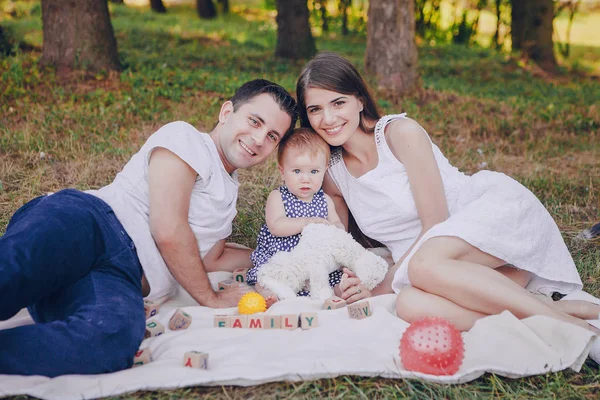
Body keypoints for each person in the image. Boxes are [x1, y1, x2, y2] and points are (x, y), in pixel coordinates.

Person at [0, 79, 297, 377]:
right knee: (12, 271)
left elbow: (211, 259)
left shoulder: (228, 197)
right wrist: (210, 297)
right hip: (91, 222)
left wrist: (283, 254)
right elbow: (168, 229)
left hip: (120, 276)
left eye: (272, 136)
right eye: (254, 121)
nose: (259, 139)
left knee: (111, 341)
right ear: (226, 111)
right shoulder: (186, 139)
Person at [295, 51, 600, 333]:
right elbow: (342, 242)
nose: (329, 118)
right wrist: (350, 282)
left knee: (423, 268)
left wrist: (384, 283)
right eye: (315, 109)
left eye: (338, 103)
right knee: (409, 304)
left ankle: (567, 327)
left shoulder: (398, 134)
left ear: (359, 100)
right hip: (447, 274)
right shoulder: (332, 173)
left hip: (491, 230)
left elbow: (436, 222)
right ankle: (542, 312)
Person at [246, 127, 345, 304]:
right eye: (297, 171)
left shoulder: (325, 200)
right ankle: (271, 295)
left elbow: (338, 225)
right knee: (265, 278)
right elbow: (276, 226)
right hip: (283, 262)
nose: (305, 179)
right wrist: (306, 222)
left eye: (314, 172)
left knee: (336, 279)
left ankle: (337, 294)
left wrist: (333, 229)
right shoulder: (278, 197)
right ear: (283, 171)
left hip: (314, 266)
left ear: (325, 170)